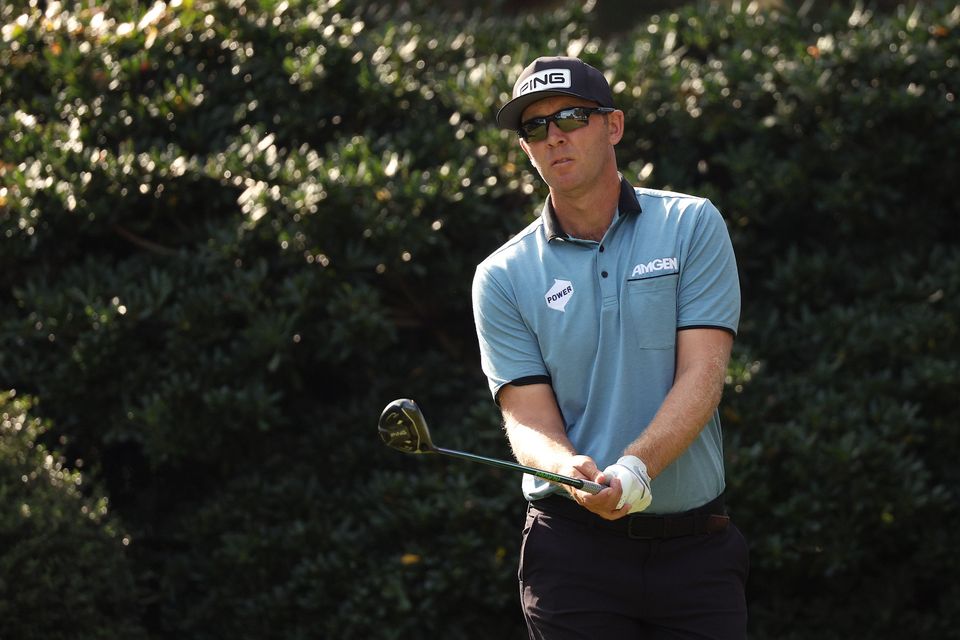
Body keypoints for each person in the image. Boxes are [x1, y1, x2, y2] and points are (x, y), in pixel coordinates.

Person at [471, 56, 748, 639]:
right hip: (572, 554)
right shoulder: (501, 275)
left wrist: (636, 469)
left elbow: (703, 375)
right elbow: (525, 416)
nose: (554, 137)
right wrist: (564, 467)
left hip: (694, 551)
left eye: (570, 116)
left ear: (613, 126)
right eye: (534, 127)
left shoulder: (692, 225)